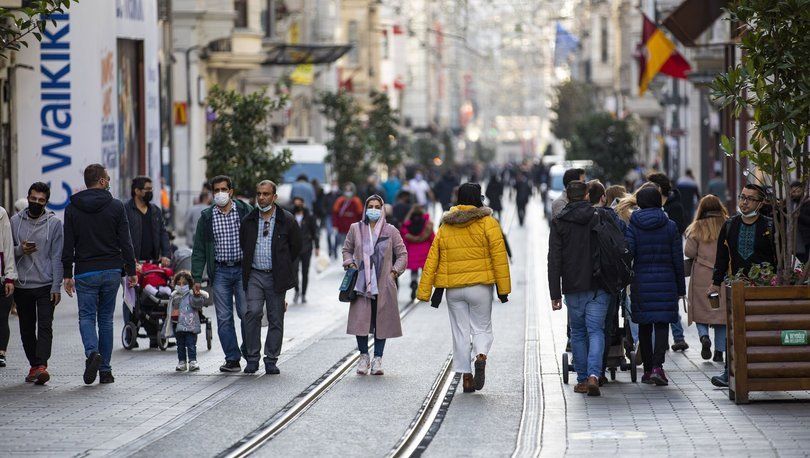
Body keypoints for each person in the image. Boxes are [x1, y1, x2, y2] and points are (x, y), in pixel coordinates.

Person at [418, 183, 511, 393]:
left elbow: (432, 258)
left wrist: (425, 291)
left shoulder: (445, 226)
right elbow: (499, 257)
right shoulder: (489, 223)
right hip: (480, 286)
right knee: (482, 327)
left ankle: (467, 377)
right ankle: (480, 355)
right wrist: (503, 290)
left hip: (453, 289)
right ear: (479, 198)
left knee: (460, 332)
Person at [62, 164, 137, 385]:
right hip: (112, 270)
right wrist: (131, 271)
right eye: (108, 178)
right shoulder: (116, 206)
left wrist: (67, 274)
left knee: (86, 317)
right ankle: (105, 370)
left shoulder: (72, 208)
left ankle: (92, 352)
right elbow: (126, 241)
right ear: (102, 181)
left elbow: (69, 244)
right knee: (105, 320)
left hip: (85, 271)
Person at [709, 183, 776, 387]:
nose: (744, 202)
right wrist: (715, 283)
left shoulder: (770, 226)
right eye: (742, 197)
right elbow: (721, 257)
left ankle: (766, 370)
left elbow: (779, 258)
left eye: (750, 198)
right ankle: (730, 371)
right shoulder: (730, 225)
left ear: (761, 202)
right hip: (737, 285)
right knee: (734, 328)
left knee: (762, 329)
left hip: (765, 287)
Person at [548, 181, 610, 396]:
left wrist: (554, 293)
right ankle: (595, 375)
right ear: (586, 195)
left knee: (579, 332)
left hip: (573, 285)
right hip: (599, 283)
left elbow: (554, 259)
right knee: (596, 331)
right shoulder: (598, 216)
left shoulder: (559, 222)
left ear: (568, 196)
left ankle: (583, 379)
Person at [191, 175, 253, 373]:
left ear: (231, 191)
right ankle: (232, 358)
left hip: (242, 270)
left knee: (246, 313)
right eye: (216, 190)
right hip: (220, 272)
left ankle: (249, 353)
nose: (220, 194)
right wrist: (197, 278)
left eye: (223, 190)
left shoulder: (244, 210)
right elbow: (199, 249)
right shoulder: (207, 217)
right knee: (224, 317)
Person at [625, 186, 686, 386]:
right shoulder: (670, 226)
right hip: (666, 281)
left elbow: (629, 254)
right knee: (662, 324)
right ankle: (659, 367)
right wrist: (680, 288)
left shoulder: (633, 226)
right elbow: (678, 259)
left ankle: (648, 369)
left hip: (641, 281)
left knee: (644, 324)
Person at [240, 180, 301, 375]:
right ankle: (252, 358)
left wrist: (283, 266)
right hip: (255, 274)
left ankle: (271, 359)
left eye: (266, 194)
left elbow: (296, 247)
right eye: (259, 193)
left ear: (274, 197)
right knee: (253, 312)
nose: (261, 197)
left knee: (276, 317)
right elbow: (244, 244)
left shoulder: (287, 219)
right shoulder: (249, 220)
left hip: (276, 276)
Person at [344, 195, 407, 376]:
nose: (373, 209)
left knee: (382, 321)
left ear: (383, 209)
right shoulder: (355, 228)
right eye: (370, 206)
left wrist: (394, 272)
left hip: (383, 284)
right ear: (365, 208)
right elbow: (346, 249)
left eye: (377, 206)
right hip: (361, 284)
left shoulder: (391, 230)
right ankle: (363, 356)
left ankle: (378, 358)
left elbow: (402, 254)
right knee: (361, 320)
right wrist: (350, 264)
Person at [10, 183, 63, 384]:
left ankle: (41, 365)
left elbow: (57, 256)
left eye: (41, 201)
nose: (36, 203)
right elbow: (7, 252)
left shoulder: (55, 224)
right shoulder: (15, 222)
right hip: (22, 284)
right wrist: (20, 250)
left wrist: (56, 285)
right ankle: (34, 365)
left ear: (46, 202)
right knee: (26, 327)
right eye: (33, 199)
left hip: (45, 284)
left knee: (45, 326)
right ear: (28, 197)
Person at [124, 176, 172, 346]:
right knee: (131, 298)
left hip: (152, 263)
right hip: (133, 263)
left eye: (152, 189)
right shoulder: (126, 210)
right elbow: (123, 237)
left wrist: (166, 254)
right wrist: (129, 261)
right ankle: (130, 333)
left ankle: (154, 334)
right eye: (147, 189)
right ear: (137, 191)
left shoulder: (155, 211)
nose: (151, 192)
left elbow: (163, 234)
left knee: (152, 296)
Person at [646, 173, 689, 352]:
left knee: (669, 303)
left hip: (667, 260)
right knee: (662, 303)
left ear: (659, 188)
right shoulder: (648, 204)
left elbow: (677, 235)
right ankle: (665, 341)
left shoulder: (675, 206)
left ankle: (678, 337)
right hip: (652, 260)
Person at [684, 195, 729, 363]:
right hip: (722, 274)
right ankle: (719, 351)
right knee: (719, 313)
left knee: (701, 309)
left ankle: (704, 337)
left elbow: (689, 252)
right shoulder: (728, 224)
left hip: (702, 273)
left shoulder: (696, 227)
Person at [168, 271, 207, 372]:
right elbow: (171, 309)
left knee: (191, 344)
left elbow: (198, 304)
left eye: (184, 283)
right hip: (177, 324)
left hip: (190, 324)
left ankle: (193, 361)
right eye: (179, 283)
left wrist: (197, 296)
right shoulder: (174, 295)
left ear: (189, 284)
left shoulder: (191, 294)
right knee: (180, 344)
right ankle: (182, 362)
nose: (181, 286)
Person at [401, 205, 434, 301]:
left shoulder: (408, 224)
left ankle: (414, 281)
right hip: (425, 251)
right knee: (425, 271)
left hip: (412, 251)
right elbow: (432, 237)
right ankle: (423, 289)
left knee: (414, 270)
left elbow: (404, 236)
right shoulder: (427, 224)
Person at [291, 196, 319, 304]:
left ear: (303, 203)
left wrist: (317, 246)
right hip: (294, 249)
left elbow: (315, 231)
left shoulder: (310, 216)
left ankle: (303, 294)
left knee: (305, 272)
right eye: (295, 203)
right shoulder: (290, 216)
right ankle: (297, 290)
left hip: (307, 247)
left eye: (299, 203)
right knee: (294, 271)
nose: (297, 205)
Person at [0, 205, 17, 369]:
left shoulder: (1, 213)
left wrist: (9, 276)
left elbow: (7, 247)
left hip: (1, 277)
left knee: (2, 317)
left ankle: (1, 352)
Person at [332, 183, 364, 252]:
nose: (348, 191)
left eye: (350, 190)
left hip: (353, 229)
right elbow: (335, 214)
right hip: (341, 228)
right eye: (346, 190)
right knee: (343, 246)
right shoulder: (340, 200)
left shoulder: (356, 201)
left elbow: (360, 215)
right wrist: (335, 225)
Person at [790, 181, 810, 263]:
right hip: (791, 240)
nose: (796, 194)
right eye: (793, 192)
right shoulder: (787, 203)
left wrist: (799, 216)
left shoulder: (807, 203)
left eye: (798, 191)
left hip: (804, 240)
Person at [323, 180, 342, 259]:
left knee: (338, 235)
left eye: (335, 184)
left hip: (339, 217)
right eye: (333, 184)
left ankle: (335, 249)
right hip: (329, 216)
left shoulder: (340, 195)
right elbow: (323, 205)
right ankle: (330, 249)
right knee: (329, 234)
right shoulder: (327, 195)